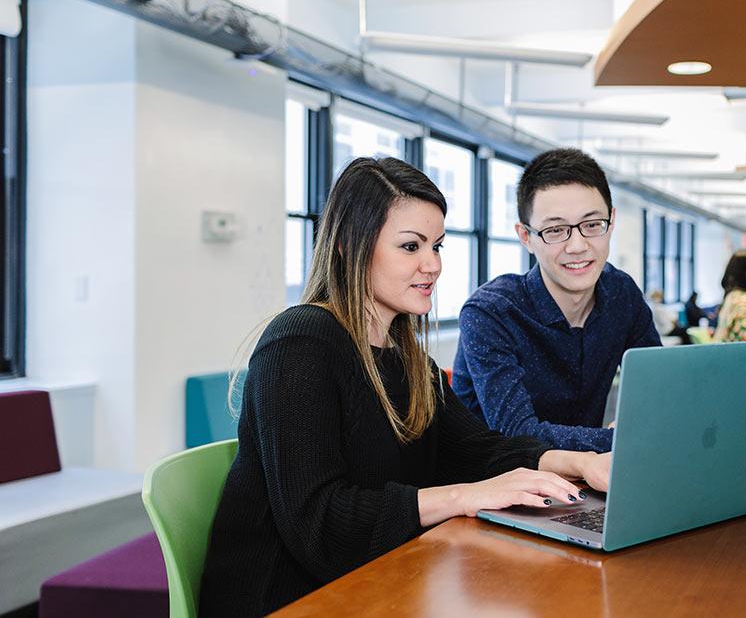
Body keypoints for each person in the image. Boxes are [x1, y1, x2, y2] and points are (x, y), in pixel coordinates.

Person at [199, 157, 610, 617]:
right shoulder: (300, 343)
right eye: (410, 247)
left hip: (373, 577)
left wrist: (581, 462)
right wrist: (460, 496)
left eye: (436, 246)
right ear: (347, 247)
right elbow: (319, 523)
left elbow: (478, 449)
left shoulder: (408, 358)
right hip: (286, 598)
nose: (432, 265)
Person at [451, 148, 660, 453]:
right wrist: (617, 439)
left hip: (581, 484)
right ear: (526, 237)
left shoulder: (621, 295)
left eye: (592, 225)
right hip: (490, 487)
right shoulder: (491, 312)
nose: (577, 246)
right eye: (555, 230)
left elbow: (657, 393)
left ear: (611, 222)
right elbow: (517, 434)